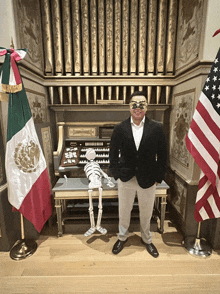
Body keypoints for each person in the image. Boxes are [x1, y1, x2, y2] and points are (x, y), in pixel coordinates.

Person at [109, 91, 167, 257]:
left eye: (142, 104)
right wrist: (116, 175)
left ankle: (147, 239)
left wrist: (159, 178)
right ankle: (122, 237)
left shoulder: (156, 128)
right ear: (129, 107)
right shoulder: (120, 128)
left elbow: (163, 155)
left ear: (147, 107)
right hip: (126, 178)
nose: (138, 108)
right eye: (134, 104)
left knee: (147, 212)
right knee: (124, 211)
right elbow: (112, 153)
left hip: (149, 178)